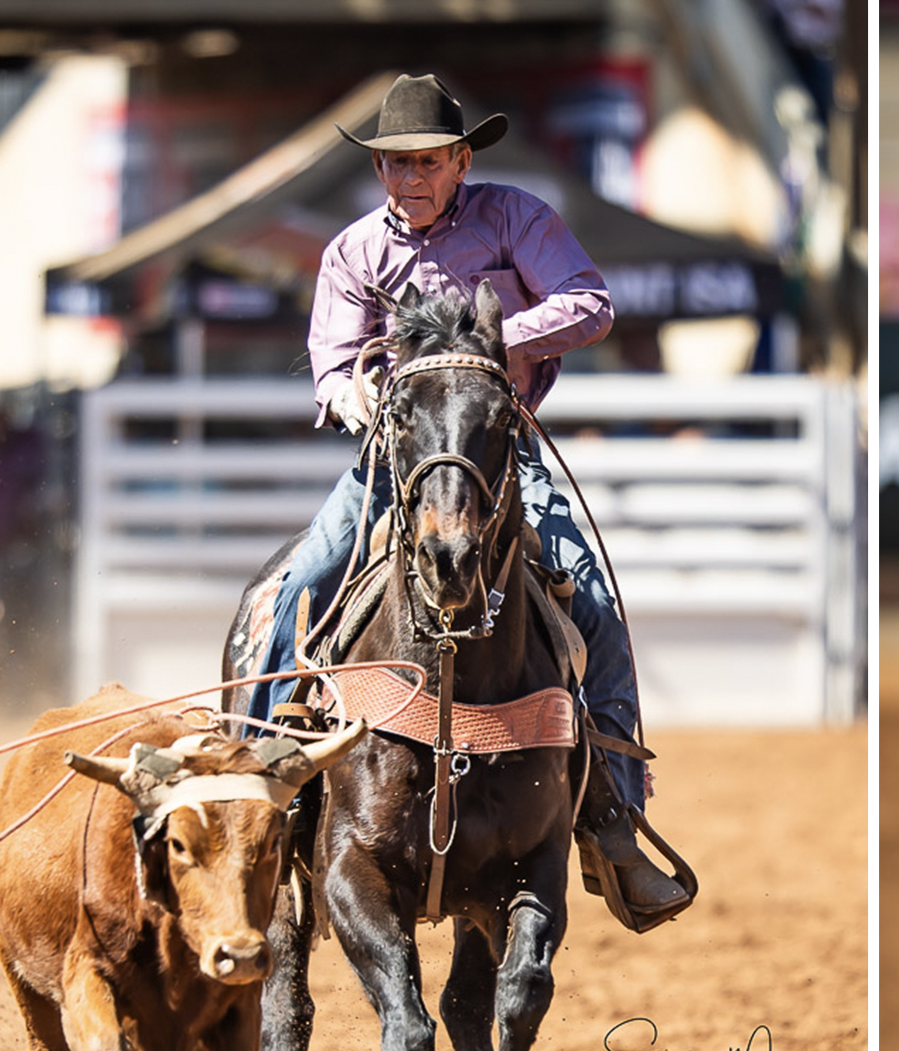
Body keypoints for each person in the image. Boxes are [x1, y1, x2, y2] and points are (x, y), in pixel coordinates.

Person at [246, 73, 691, 932]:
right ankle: (265, 787)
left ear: (459, 159)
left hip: (500, 456)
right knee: (300, 582)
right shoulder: (352, 254)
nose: (407, 179)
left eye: (424, 162)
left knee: (591, 602)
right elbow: (333, 365)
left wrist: (488, 347)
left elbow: (590, 303)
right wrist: (347, 396)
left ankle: (614, 816)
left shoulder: (516, 219)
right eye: (392, 165)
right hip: (396, 462)